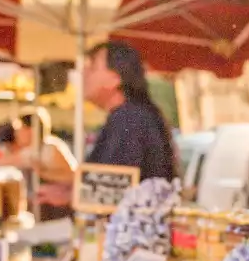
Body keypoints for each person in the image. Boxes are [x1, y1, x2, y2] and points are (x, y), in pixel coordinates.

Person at [37, 41, 177, 208]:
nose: (83, 73)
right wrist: (69, 193)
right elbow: (112, 179)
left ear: (115, 78)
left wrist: (70, 194)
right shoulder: (131, 116)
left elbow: (118, 185)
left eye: (93, 67)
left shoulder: (130, 119)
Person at [0, 111, 76, 221]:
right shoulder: (31, 150)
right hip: (44, 211)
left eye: (20, 129)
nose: (16, 133)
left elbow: (72, 177)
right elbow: (0, 162)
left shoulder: (49, 149)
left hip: (58, 212)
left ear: (32, 130)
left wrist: (43, 172)